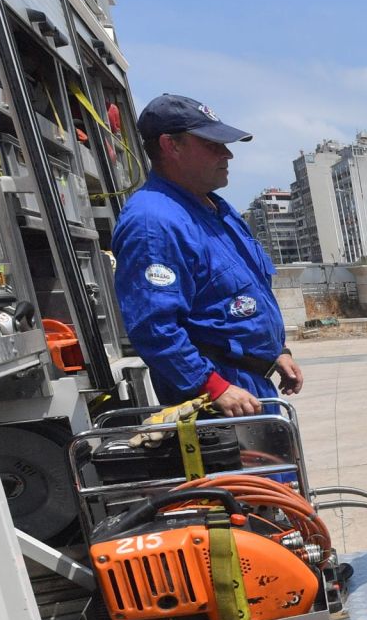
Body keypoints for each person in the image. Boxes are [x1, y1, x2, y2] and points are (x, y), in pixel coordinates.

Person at [112, 94, 300, 413]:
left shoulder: (215, 209)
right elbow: (154, 326)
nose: (227, 154)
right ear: (171, 145)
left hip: (249, 387)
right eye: (212, 145)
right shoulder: (154, 221)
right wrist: (212, 387)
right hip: (218, 399)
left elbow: (238, 295)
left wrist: (275, 351)